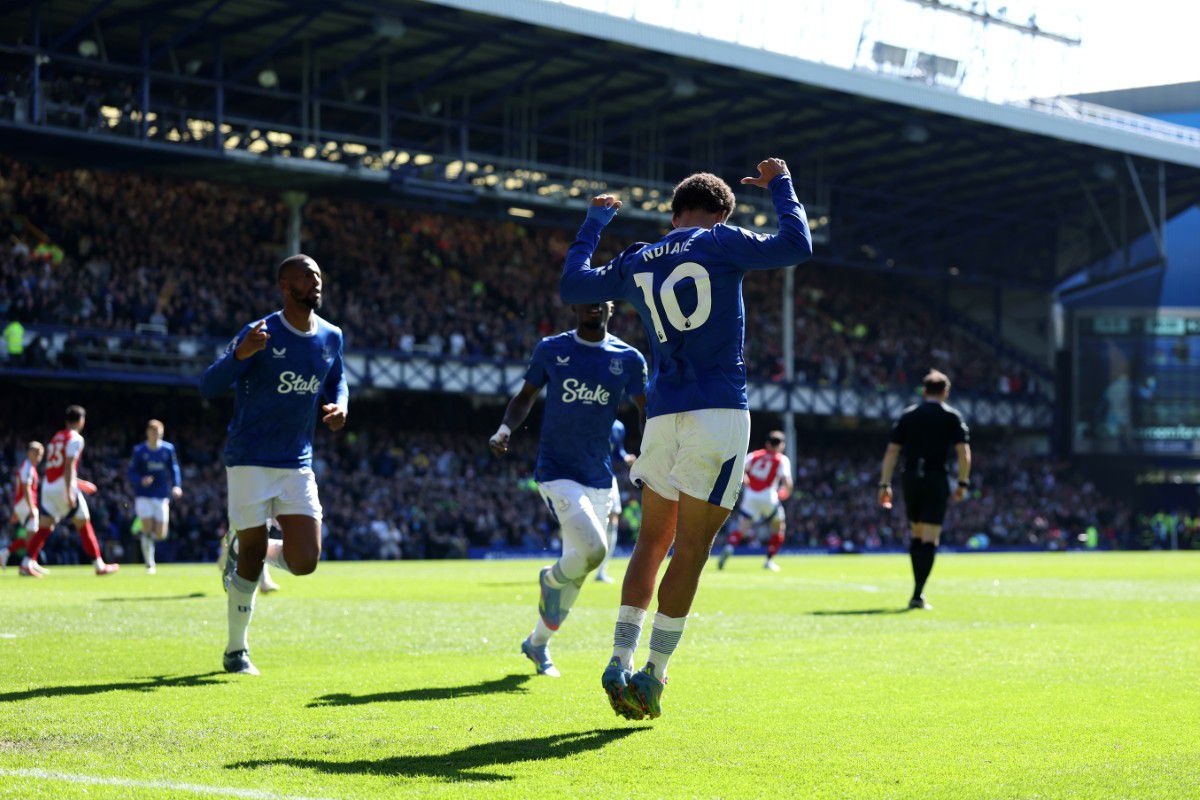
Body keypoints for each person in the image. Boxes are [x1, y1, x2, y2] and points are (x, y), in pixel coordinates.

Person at [560, 157, 812, 720]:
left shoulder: (639, 256)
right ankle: (652, 674)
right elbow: (797, 245)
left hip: (664, 415)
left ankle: (617, 659)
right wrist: (781, 185)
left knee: (650, 542)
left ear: (674, 212)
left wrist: (592, 228)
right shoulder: (721, 240)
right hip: (718, 412)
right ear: (721, 211)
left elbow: (573, 285)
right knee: (691, 551)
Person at [199, 254, 348, 676]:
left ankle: (248, 548)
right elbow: (209, 385)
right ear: (286, 286)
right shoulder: (259, 332)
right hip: (249, 459)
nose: (316, 281)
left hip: (297, 462)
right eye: (307, 275)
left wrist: (341, 405)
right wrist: (240, 355)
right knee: (250, 557)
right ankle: (235, 650)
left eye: (319, 274)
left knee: (306, 561)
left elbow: (337, 378)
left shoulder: (331, 336)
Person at [490, 302, 646, 678]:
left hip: (598, 476)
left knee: (578, 572)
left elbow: (646, 407)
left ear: (611, 305)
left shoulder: (628, 358)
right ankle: (550, 579)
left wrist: (651, 454)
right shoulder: (552, 349)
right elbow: (525, 396)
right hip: (556, 472)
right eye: (585, 295)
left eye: (601, 296)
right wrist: (505, 429)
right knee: (595, 550)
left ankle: (537, 644)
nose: (592, 302)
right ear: (575, 305)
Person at [878, 370, 972, 610]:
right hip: (935, 478)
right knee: (931, 537)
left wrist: (884, 483)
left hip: (910, 478)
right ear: (945, 392)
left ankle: (916, 591)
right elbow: (963, 453)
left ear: (924, 391)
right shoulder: (951, 417)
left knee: (917, 533)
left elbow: (891, 452)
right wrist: (963, 483)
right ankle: (918, 593)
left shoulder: (908, 416)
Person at [21, 406, 119, 576]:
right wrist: (69, 491)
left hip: (48, 486)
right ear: (81, 421)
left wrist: (78, 483)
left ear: (66, 421)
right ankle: (99, 564)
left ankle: (26, 562)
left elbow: (57, 467)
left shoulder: (55, 438)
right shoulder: (76, 439)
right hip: (62, 487)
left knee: (45, 526)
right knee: (84, 523)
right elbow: (68, 466)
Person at [718, 430, 794, 572]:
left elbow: (740, 470)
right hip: (769, 496)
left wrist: (746, 482)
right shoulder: (781, 459)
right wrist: (784, 494)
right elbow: (788, 483)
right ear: (781, 445)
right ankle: (769, 561)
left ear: (767, 444)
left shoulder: (754, 455)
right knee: (778, 527)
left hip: (751, 496)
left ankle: (729, 546)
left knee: (742, 528)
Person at [127, 419, 182, 574]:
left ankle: (139, 525)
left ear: (161, 433)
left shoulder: (168, 449)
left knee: (160, 534)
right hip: (143, 495)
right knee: (148, 529)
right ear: (147, 433)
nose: (155, 435)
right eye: (152, 432)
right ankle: (150, 564)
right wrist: (140, 480)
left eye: (157, 432)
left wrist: (177, 486)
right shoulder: (139, 451)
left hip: (161, 495)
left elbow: (174, 469)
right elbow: (131, 473)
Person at [595, 419, 638, 584]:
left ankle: (601, 570)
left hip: (607, 475)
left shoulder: (618, 426)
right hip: (584, 475)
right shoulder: (590, 417)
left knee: (613, 517)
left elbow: (617, 452)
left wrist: (626, 457)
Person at [1, 441, 43, 571]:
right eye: (37, 454)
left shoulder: (29, 467)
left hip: (23, 504)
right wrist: (31, 507)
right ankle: (28, 562)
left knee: (30, 537)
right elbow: (25, 489)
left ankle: (7, 554)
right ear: (31, 453)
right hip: (26, 504)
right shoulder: (28, 467)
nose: (39, 458)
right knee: (35, 535)